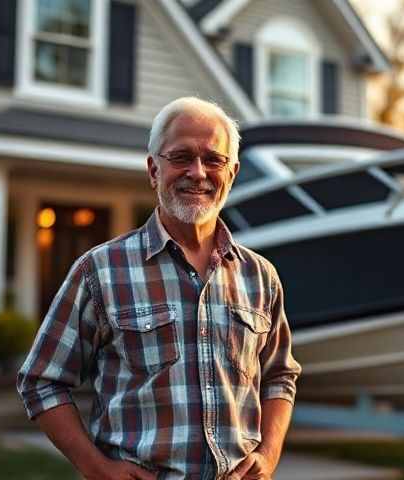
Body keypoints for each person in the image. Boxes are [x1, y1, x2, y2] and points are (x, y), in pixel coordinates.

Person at [17, 97, 301, 480]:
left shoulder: (260, 276)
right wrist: (96, 468)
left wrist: (268, 454)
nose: (198, 173)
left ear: (231, 174)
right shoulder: (100, 271)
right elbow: (41, 381)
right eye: (181, 157)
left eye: (213, 160)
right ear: (154, 170)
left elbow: (279, 376)